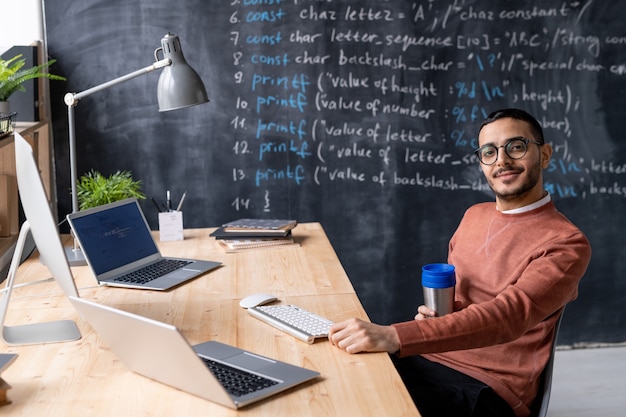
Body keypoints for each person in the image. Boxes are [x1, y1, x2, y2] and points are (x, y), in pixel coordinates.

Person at [328, 108, 591, 417]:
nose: (502, 161)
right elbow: (461, 304)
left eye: (516, 147)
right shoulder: (474, 215)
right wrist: (435, 318)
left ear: (544, 155)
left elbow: (508, 317)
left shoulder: (566, 243)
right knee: (336, 383)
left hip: (486, 386)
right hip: (429, 355)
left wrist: (396, 335)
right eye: (489, 152)